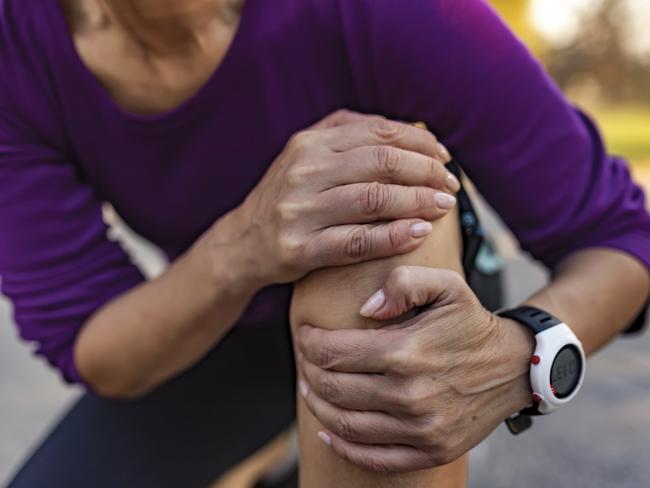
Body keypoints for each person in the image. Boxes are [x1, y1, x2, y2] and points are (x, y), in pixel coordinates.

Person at [1, 0, 648, 487]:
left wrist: (521, 356)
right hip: (222, 315)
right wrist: (244, 245)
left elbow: (618, 236)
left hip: (408, 293)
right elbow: (96, 343)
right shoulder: (16, 46)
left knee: (366, 189)